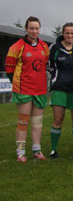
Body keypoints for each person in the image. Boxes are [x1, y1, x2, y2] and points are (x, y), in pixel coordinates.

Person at [5, 16, 50, 162]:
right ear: (26, 29)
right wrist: (17, 83)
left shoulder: (43, 46)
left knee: (37, 122)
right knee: (23, 121)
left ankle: (37, 150)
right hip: (24, 89)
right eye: (31, 28)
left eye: (37, 28)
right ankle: (20, 152)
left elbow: (45, 65)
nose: (34, 31)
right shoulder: (17, 47)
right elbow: (9, 68)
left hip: (40, 89)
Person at [48, 22, 73, 159]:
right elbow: (50, 65)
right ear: (63, 34)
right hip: (59, 88)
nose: (70, 35)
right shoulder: (55, 48)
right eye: (67, 33)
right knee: (58, 119)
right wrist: (57, 78)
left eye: (72, 33)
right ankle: (53, 149)